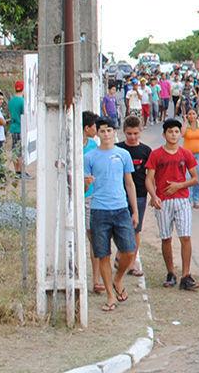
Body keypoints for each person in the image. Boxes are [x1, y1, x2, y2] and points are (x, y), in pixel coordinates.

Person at [83, 117, 139, 312]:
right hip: (99, 209)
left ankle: (118, 278)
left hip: (121, 208)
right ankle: (110, 295)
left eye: (109, 130)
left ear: (114, 132)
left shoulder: (123, 155)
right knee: (103, 254)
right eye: (102, 131)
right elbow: (84, 187)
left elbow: (129, 183)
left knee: (129, 250)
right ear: (97, 133)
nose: (106, 134)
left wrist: (135, 211)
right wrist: (86, 184)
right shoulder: (89, 157)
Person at [146, 119, 199, 290]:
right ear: (164, 134)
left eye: (176, 131)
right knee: (166, 237)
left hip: (182, 199)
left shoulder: (186, 154)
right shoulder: (156, 154)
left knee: (185, 236)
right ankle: (170, 272)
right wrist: (154, 196)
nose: (173, 135)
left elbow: (195, 178)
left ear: (180, 134)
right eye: (170, 132)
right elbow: (149, 179)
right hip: (163, 201)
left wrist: (179, 185)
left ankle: (186, 275)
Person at [115, 116, 151, 277]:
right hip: (119, 195)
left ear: (140, 131)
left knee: (135, 229)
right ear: (124, 132)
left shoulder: (146, 151)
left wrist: (154, 194)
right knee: (120, 228)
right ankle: (121, 254)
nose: (132, 137)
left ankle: (131, 262)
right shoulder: (117, 149)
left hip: (140, 194)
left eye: (135, 133)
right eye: (129, 133)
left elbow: (150, 176)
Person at [82, 111, 103, 292]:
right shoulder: (71, 145)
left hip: (91, 196)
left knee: (93, 237)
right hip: (74, 196)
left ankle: (96, 280)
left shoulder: (93, 146)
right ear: (87, 128)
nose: (97, 130)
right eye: (95, 126)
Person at [183, 109, 199, 208]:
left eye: (193, 113)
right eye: (189, 114)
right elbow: (181, 134)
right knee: (187, 178)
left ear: (197, 115)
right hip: (187, 155)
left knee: (197, 178)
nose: (192, 116)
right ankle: (188, 200)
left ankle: (196, 200)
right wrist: (185, 122)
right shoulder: (185, 126)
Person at [8, 81, 26, 178]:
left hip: (13, 127)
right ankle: (21, 171)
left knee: (15, 150)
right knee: (21, 151)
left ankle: (17, 171)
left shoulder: (11, 101)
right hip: (21, 128)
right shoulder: (23, 101)